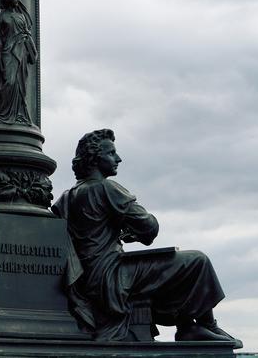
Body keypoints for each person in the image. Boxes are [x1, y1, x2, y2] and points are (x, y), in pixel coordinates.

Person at [52, 129, 241, 346]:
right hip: (111, 275)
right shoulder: (106, 187)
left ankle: (190, 325)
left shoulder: (66, 196)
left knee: (175, 264)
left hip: (90, 278)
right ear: (95, 159)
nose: (118, 158)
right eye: (111, 153)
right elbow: (149, 226)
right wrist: (132, 230)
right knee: (197, 260)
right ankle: (202, 325)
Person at [0, 0, 37, 124]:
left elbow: (27, 32)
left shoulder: (21, 16)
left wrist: (30, 45)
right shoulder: (2, 16)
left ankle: (19, 114)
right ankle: (4, 113)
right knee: (9, 81)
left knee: (20, 83)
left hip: (22, 52)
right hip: (8, 52)